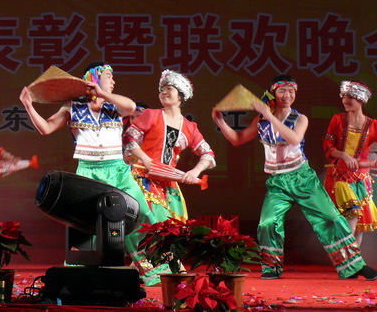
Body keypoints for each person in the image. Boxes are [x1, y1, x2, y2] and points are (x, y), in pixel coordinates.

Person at [212, 75, 377, 280]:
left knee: (331, 218)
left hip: (302, 177)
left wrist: (269, 115)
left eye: (291, 91)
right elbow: (238, 139)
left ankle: (355, 265)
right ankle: (271, 268)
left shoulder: (300, 119)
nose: (288, 95)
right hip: (277, 181)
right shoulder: (261, 120)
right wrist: (220, 120)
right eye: (283, 91)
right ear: (273, 93)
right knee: (267, 223)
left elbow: (294, 138)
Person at [19, 62, 164, 286]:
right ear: (94, 78)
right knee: (90, 224)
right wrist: (29, 106)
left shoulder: (114, 104)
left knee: (143, 213)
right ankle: (86, 273)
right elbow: (46, 128)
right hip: (88, 172)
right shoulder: (72, 106)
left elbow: (131, 106)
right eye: (108, 76)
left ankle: (149, 265)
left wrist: (103, 94)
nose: (113, 81)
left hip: (118, 170)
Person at [123, 70, 215, 223]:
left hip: (170, 184)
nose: (163, 92)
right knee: (149, 222)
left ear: (180, 96)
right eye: (162, 89)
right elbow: (129, 137)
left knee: (173, 227)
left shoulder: (189, 127)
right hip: (144, 177)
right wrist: (145, 159)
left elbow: (208, 154)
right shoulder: (151, 115)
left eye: (169, 88)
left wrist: (195, 171)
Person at [323, 81, 377, 246]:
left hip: (362, 180)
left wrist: (370, 162)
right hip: (341, 177)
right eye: (343, 97)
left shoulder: (373, 125)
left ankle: (352, 258)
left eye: (350, 97)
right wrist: (343, 155)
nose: (345, 101)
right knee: (351, 216)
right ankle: (347, 257)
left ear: (360, 99)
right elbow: (328, 146)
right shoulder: (338, 120)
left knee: (359, 227)